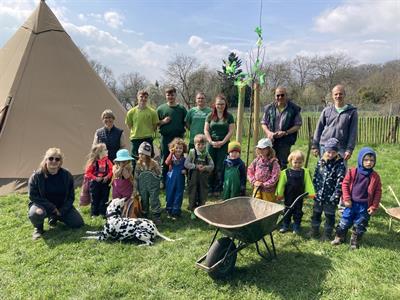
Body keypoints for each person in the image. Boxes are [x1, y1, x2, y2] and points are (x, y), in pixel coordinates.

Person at [28, 148, 84, 240]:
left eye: (57, 159)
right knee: (36, 213)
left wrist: (62, 210)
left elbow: (71, 197)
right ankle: (38, 229)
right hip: (42, 206)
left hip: (61, 206)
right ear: (46, 160)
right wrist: (52, 208)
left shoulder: (67, 175)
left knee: (78, 223)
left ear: (60, 162)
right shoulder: (37, 176)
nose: (54, 161)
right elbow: (33, 196)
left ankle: (54, 217)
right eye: (51, 158)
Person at [331, 147, 382, 249]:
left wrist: (374, 206)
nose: (369, 162)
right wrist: (346, 198)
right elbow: (345, 184)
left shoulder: (375, 176)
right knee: (344, 221)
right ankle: (339, 237)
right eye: (366, 160)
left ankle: (354, 241)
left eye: (372, 160)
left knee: (360, 224)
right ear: (360, 160)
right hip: (351, 203)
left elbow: (378, 192)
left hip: (364, 206)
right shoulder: (353, 172)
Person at [310, 138, 346, 241]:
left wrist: (336, 195)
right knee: (316, 213)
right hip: (319, 195)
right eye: (329, 152)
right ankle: (314, 230)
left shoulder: (340, 165)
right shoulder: (321, 162)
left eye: (333, 152)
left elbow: (340, 181)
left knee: (329, 216)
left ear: (337, 152)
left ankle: (327, 233)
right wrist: (314, 190)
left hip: (331, 196)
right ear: (325, 150)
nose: (330, 154)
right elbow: (316, 177)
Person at [312, 85, 358, 161]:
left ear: (344, 95)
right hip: (324, 146)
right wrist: (315, 146)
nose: (338, 96)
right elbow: (319, 128)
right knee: (323, 171)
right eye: (336, 94)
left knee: (340, 172)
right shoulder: (326, 110)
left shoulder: (352, 112)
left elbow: (353, 132)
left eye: (340, 94)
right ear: (332, 96)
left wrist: (349, 149)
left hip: (341, 148)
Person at [261, 87, 302, 170]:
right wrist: (269, 133)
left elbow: (298, 124)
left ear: (286, 95)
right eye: (278, 95)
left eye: (282, 95)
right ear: (275, 96)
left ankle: (282, 182)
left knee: (282, 163)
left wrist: (286, 132)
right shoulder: (269, 108)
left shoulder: (294, 108)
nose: (280, 97)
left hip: (285, 140)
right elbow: (263, 123)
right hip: (271, 139)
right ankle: (271, 182)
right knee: (269, 161)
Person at [276, 150, 315, 234]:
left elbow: (308, 182)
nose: (297, 165)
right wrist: (279, 194)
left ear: (303, 162)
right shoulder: (285, 172)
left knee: (298, 211)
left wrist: (310, 193)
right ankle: (285, 224)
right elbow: (281, 184)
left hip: (299, 196)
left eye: (300, 162)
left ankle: (296, 225)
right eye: (295, 162)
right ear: (290, 161)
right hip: (288, 195)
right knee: (287, 210)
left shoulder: (305, 172)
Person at [204, 94, 235, 196]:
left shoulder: (229, 116)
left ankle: (218, 188)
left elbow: (231, 131)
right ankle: (209, 188)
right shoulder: (210, 116)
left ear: (225, 105)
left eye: (222, 104)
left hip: (224, 143)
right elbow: (206, 130)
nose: (220, 106)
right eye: (218, 104)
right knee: (210, 165)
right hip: (211, 143)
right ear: (215, 104)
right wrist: (210, 141)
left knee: (220, 166)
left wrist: (223, 142)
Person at [157, 87, 187, 186]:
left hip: (178, 138)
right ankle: (164, 180)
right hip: (166, 138)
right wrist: (163, 121)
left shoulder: (181, 109)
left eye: (172, 94)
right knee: (165, 158)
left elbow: (186, 123)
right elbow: (155, 124)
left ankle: (179, 180)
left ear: (175, 95)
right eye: (168, 95)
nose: (170, 97)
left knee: (179, 158)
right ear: (166, 96)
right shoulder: (161, 109)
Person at [185, 134, 214, 219]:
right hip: (193, 178)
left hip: (203, 179)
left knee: (202, 193)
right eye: (198, 144)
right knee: (193, 192)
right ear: (195, 145)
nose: (201, 146)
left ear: (206, 144)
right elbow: (186, 164)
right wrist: (195, 166)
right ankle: (193, 210)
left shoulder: (206, 154)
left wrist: (205, 167)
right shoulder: (192, 152)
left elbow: (212, 166)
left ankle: (201, 210)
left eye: (203, 144)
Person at [125, 90, 158, 164]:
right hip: (135, 139)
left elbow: (155, 125)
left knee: (149, 160)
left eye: (145, 97)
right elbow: (129, 125)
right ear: (137, 98)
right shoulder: (131, 112)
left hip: (148, 139)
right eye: (141, 97)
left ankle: (149, 175)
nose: (143, 99)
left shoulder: (152, 112)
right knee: (134, 160)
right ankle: (134, 175)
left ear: (147, 98)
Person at [134, 142, 162, 224]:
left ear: (148, 155)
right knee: (144, 200)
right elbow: (136, 178)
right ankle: (145, 214)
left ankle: (156, 216)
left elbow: (159, 173)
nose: (140, 156)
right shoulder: (138, 164)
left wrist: (159, 181)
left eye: (143, 154)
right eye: (139, 154)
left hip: (153, 185)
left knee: (154, 200)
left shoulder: (154, 163)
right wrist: (135, 189)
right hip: (143, 185)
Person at [247, 138, 280, 202]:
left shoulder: (273, 163)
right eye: (260, 148)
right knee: (256, 202)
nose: (261, 150)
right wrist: (254, 181)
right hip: (257, 188)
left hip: (268, 191)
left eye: (264, 148)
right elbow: (249, 171)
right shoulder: (257, 160)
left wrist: (264, 184)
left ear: (269, 149)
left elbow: (275, 176)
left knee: (267, 204)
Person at [84, 143, 113, 217]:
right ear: (100, 152)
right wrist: (95, 178)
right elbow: (87, 173)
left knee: (104, 197)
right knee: (95, 198)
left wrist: (107, 176)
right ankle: (94, 213)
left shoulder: (108, 161)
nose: (107, 151)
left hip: (105, 183)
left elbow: (111, 170)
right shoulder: (93, 163)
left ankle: (102, 212)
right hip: (95, 183)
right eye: (105, 149)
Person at [165, 138, 188, 219]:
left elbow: (187, 167)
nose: (178, 150)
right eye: (177, 148)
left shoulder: (184, 159)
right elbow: (167, 162)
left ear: (183, 149)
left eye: (180, 148)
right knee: (170, 193)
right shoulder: (171, 157)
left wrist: (185, 171)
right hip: (171, 178)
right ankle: (169, 209)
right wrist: (171, 153)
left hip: (180, 179)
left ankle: (176, 210)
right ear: (173, 148)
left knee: (179, 193)